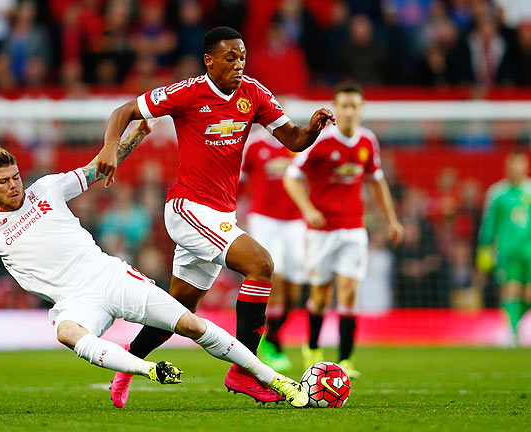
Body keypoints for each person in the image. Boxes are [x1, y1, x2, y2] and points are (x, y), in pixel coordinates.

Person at [0, 129, 309, 408]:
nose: (14, 185)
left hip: (109, 275)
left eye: (15, 176)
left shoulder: (47, 189)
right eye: (4, 182)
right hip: (75, 301)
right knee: (66, 332)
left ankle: (279, 382)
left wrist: (135, 135)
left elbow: (101, 166)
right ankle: (145, 370)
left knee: (192, 325)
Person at [96, 26, 335, 406]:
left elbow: (292, 140)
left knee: (180, 308)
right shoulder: (187, 92)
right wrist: (110, 148)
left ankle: (126, 365)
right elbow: (123, 111)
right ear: (209, 59)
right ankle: (245, 370)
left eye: (242, 57)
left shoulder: (253, 94)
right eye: (230, 57)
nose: (239, 64)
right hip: (188, 208)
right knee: (261, 265)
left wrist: (313, 130)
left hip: (219, 214)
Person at [283, 81, 403, 379]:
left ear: (361, 110)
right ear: (336, 109)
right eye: (344, 106)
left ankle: (346, 360)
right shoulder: (322, 141)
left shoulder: (367, 142)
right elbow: (291, 177)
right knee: (321, 296)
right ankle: (312, 349)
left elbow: (377, 181)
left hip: (353, 229)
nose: (349, 112)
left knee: (349, 293)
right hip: (322, 231)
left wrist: (392, 220)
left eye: (354, 106)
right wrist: (308, 210)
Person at [240, 128, 307, 372]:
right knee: (273, 277)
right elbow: (241, 178)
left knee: (295, 292)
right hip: (264, 220)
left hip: (295, 221)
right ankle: (272, 344)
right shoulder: (255, 146)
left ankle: (273, 335)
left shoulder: (296, 143)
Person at [477, 151, 531, 346]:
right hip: (507, 251)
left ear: (525, 167)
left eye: (520, 164)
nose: (516, 169)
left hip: (529, 251)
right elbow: (489, 225)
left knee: (527, 293)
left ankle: (520, 325)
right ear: (507, 167)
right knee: (510, 291)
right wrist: (484, 253)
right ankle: (513, 332)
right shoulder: (497, 193)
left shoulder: (529, 191)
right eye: (513, 165)